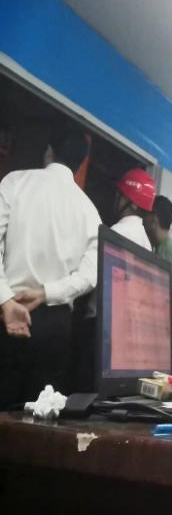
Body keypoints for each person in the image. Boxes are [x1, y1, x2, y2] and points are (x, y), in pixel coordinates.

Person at [0, 129, 101, 407]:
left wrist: (5, 300)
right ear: (80, 164)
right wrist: (47, 292)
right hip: (55, 325)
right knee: (40, 416)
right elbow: (89, 276)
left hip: (8, 313)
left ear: (49, 151)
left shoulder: (15, 182)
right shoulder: (90, 212)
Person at [143, 195, 172, 357]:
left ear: (154, 219)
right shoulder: (158, 246)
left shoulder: (168, 250)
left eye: (145, 215)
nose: (142, 220)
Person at [112, 168, 156, 250]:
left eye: (121, 195)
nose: (117, 198)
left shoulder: (118, 231)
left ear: (134, 204)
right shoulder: (147, 244)